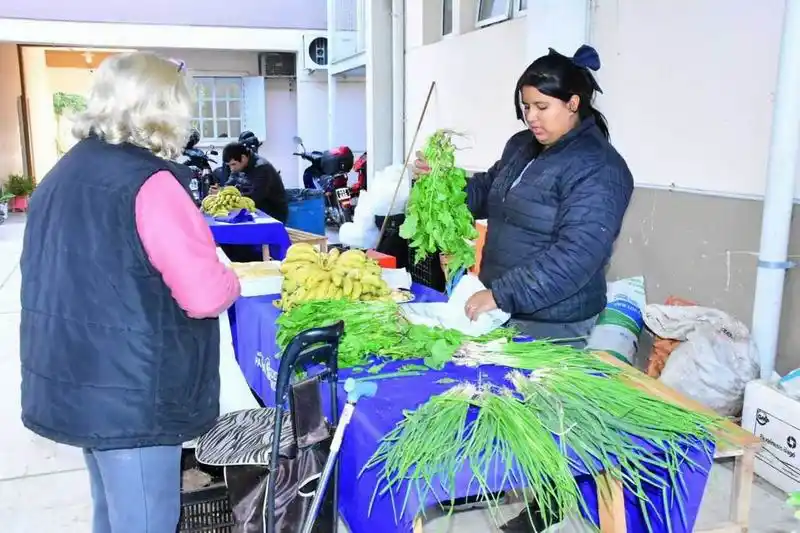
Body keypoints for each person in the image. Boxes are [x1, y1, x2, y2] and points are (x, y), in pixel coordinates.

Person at [412, 45, 633, 532]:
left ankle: (548, 506)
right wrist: (442, 182)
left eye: (542, 107)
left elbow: (577, 255)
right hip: (508, 305)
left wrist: (501, 293)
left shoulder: (599, 168)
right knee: (507, 402)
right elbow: (487, 193)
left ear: (574, 103)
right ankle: (503, 482)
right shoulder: (522, 147)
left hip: (556, 316)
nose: (531, 117)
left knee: (548, 415)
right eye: (526, 106)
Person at [19, 52, 242, 533]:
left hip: (83, 377)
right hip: (134, 392)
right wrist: (230, 277)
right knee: (144, 519)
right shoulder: (151, 183)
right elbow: (204, 295)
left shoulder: (63, 173)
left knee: (113, 514)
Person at [222, 141, 288, 223]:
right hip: (253, 211)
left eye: (233, 164)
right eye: (229, 165)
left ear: (243, 158)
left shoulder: (262, 168)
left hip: (271, 214)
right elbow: (229, 185)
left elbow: (255, 197)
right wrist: (221, 192)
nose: (232, 168)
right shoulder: (239, 166)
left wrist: (231, 199)